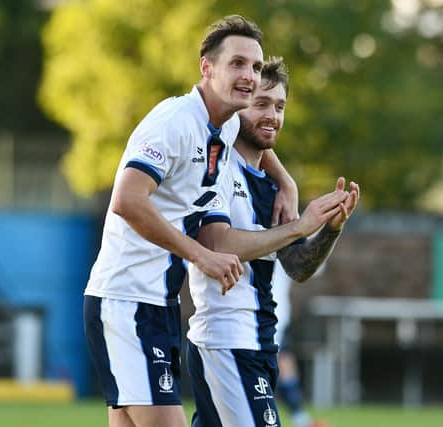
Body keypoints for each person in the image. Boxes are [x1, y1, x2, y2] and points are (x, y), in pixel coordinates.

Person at [82, 16, 300, 427]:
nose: (249, 76)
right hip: (126, 300)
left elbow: (262, 148)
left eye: (255, 67)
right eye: (237, 63)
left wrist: (285, 181)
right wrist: (201, 255)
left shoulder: (226, 122)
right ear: (207, 67)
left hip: (155, 303)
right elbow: (127, 201)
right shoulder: (175, 121)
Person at [187, 57, 360, 427]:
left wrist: (330, 229)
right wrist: (300, 225)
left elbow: (296, 267)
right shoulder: (215, 162)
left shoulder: (270, 186)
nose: (273, 116)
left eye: (280, 106)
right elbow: (217, 246)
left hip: (259, 341)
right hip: (227, 340)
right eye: (262, 104)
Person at [272, 260, 326, 427]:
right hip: (266, 316)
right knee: (276, 366)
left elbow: (314, 268)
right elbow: (311, 266)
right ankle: (299, 418)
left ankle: (299, 418)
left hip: (277, 315)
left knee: (284, 362)